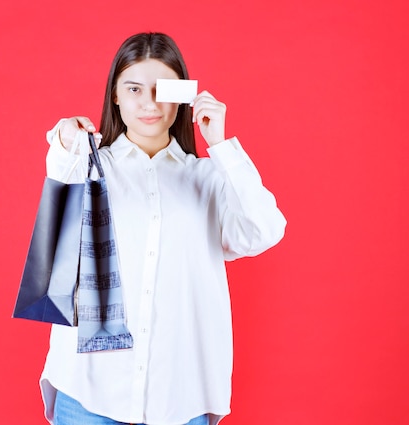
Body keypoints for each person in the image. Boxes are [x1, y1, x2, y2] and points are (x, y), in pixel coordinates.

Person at [39, 32, 286, 425]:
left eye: (162, 89)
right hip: (89, 391)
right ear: (115, 95)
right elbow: (58, 182)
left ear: (184, 95)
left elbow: (264, 231)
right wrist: (63, 136)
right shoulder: (88, 164)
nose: (150, 103)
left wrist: (221, 145)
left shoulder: (208, 177)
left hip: (180, 397)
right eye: (134, 88)